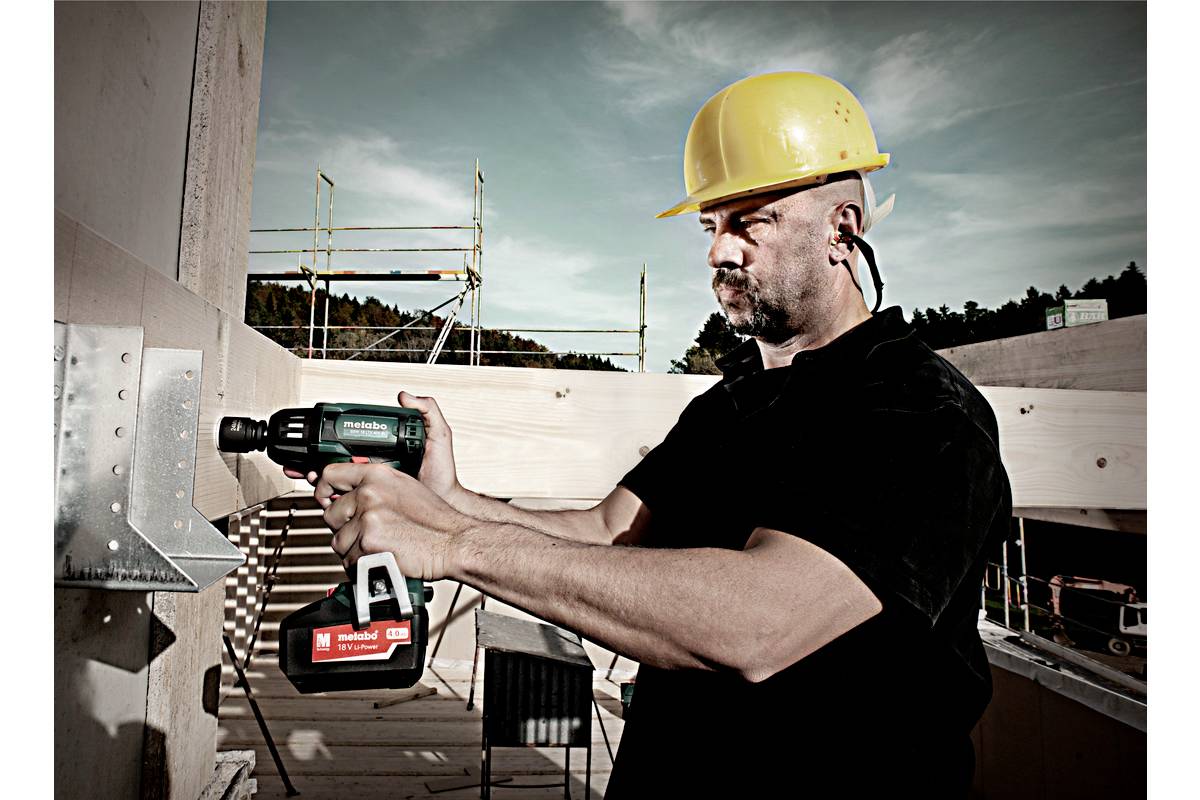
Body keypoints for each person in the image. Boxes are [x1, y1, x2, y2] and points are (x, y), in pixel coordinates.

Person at [294, 73, 1011, 797]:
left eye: (748, 222)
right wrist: (449, 498)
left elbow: (760, 623)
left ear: (843, 227)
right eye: (710, 227)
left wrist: (453, 543)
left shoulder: (923, 415)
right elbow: (611, 533)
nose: (718, 253)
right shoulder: (730, 405)